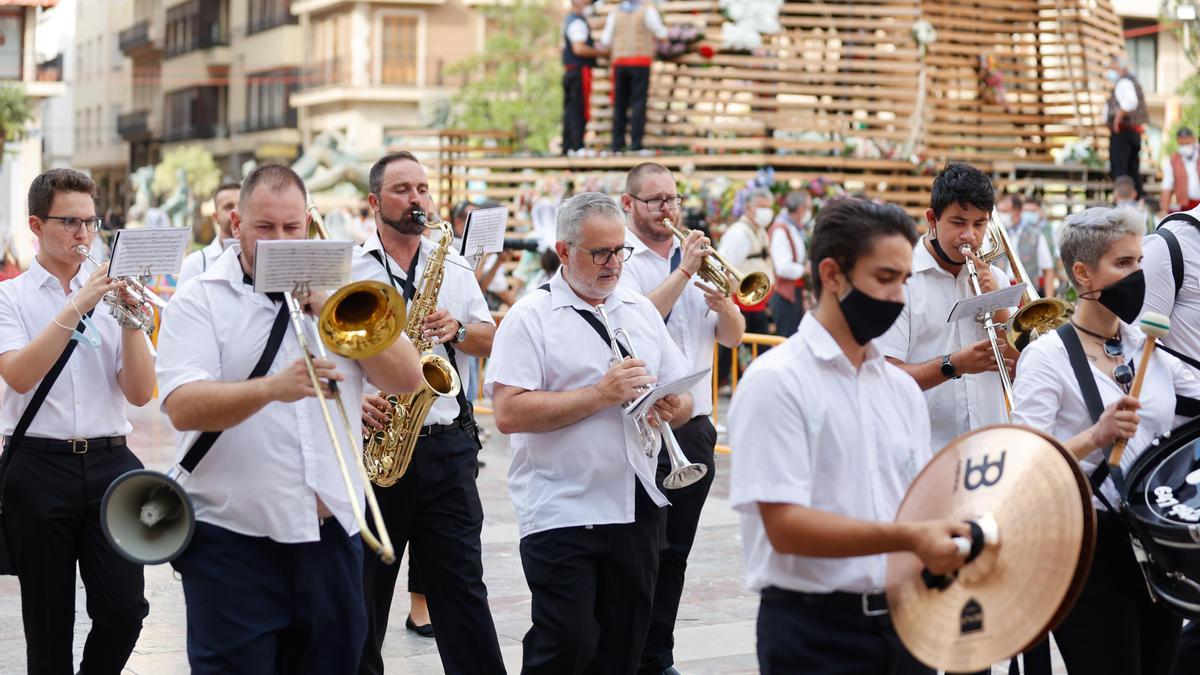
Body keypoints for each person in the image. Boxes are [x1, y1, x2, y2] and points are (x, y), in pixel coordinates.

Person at [156, 164, 422, 674]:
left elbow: (407, 378)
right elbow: (182, 405)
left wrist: (329, 306)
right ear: (237, 224)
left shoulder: (346, 293)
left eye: (291, 228)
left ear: (309, 224)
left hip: (330, 537)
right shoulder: (200, 298)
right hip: (232, 541)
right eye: (265, 228)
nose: (279, 241)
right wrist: (271, 390)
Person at [729, 198, 972, 674]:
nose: (898, 297)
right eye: (884, 278)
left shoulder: (901, 389)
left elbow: (916, 501)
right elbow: (785, 527)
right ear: (832, 275)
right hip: (816, 632)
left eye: (903, 282)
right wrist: (911, 537)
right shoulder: (776, 380)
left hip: (908, 623)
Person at [487, 192, 693, 674]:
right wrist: (599, 395)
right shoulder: (529, 317)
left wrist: (671, 404)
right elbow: (508, 412)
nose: (613, 263)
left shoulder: (639, 309)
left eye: (619, 251)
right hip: (563, 507)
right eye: (599, 253)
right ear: (563, 251)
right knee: (566, 645)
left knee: (624, 649)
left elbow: (683, 401)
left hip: (636, 504)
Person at [1012, 206, 1200, 675]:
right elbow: (1020, 462)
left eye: (1139, 262)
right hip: (1085, 547)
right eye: (1123, 264)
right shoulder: (1046, 358)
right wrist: (1093, 437)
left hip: (1151, 544)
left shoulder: (1146, 345)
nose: (1138, 275)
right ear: (1082, 272)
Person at [354, 152, 505, 675]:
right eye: (402, 189)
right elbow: (325, 352)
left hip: (445, 444)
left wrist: (457, 331)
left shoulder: (454, 266)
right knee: (366, 593)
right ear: (375, 203)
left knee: (463, 587)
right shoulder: (349, 269)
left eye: (422, 188)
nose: (417, 198)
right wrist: (356, 402)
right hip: (378, 447)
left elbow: (489, 340)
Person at [0, 168, 155, 675]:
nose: (83, 235)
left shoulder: (111, 294)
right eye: (70, 222)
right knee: (48, 625)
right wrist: (77, 303)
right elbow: (20, 376)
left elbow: (139, 392)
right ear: (35, 224)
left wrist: (133, 321)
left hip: (111, 463)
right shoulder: (11, 297)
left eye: (91, 222)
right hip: (38, 466)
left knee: (125, 609)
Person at [617, 163, 746, 675]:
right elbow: (635, 317)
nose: (668, 210)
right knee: (638, 553)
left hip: (695, 428)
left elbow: (733, 336)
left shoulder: (694, 259)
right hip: (645, 426)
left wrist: (726, 304)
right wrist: (685, 273)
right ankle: (626, 655)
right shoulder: (621, 260)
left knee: (675, 554)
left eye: (673, 199)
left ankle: (657, 656)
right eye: (655, 201)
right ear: (628, 205)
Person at [877, 163, 1015, 452]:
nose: (970, 236)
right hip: (926, 452)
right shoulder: (901, 281)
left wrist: (1000, 304)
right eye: (958, 222)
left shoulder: (996, 278)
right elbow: (886, 378)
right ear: (932, 219)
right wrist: (953, 364)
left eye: (979, 224)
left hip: (990, 449)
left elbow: (1016, 368)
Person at [601, 0, 667, 153]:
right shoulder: (647, 11)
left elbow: (605, 40)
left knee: (619, 105)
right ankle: (636, 144)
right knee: (638, 104)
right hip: (640, 62)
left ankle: (617, 145)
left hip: (620, 62)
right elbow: (661, 32)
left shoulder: (615, 13)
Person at [562, 0, 607, 155]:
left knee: (571, 109)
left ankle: (569, 145)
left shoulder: (574, 20)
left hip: (572, 71)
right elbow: (579, 49)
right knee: (578, 109)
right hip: (579, 71)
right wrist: (601, 52)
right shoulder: (576, 23)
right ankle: (576, 145)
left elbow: (594, 24)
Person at [178, 182, 240, 284]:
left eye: (241, 205)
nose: (236, 212)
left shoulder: (261, 260)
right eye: (228, 207)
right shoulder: (195, 264)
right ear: (216, 217)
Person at [768, 190, 811, 337]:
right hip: (784, 295)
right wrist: (805, 269)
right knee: (786, 337)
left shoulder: (793, 228)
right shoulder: (782, 229)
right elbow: (782, 268)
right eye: (808, 208)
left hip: (793, 293)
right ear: (801, 209)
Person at [1106, 55, 1149, 199]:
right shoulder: (1132, 80)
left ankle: (1123, 199)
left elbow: (1130, 103)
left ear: (1119, 67)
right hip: (1132, 133)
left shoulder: (1124, 82)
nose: (1110, 69)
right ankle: (1137, 198)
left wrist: (1117, 118)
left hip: (1123, 132)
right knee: (1132, 169)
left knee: (1120, 168)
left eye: (1112, 66)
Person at [1015, 195, 1058, 296]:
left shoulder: (1048, 231)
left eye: (1033, 211)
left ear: (1040, 211)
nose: (1029, 214)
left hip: (1041, 284)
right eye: (1026, 210)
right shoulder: (1016, 232)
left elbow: (1053, 262)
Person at [1160, 127, 1200, 215]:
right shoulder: (1172, 160)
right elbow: (1167, 186)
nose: (1185, 147)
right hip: (1185, 206)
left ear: (1193, 139)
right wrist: (1164, 210)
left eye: (1187, 143)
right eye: (1182, 144)